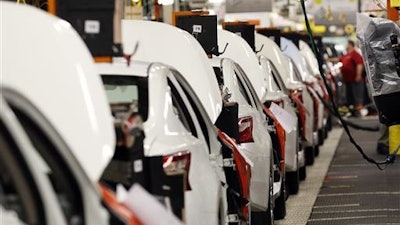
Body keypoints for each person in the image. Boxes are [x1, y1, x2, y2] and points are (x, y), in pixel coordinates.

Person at [340, 40, 365, 117]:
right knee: (350, 97)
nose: (345, 45)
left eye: (346, 44)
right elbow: (339, 60)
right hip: (348, 80)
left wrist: (358, 75)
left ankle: (358, 111)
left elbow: (360, 64)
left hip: (355, 79)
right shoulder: (347, 54)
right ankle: (353, 111)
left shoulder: (355, 54)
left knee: (357, 95)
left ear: (350, 45)